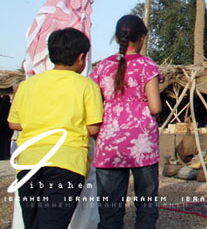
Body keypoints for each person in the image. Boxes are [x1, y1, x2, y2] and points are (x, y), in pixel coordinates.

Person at [8, 28, 103, 229]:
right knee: (53, 222)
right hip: (67, 163)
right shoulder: (87, 86)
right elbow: (93, 128)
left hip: (29, 162)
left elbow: (14, 123)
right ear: (81, 57)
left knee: (32, 222)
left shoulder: (28, 85)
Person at [90, 15, 162, 229]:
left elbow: (94, 103)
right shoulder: (147, 65)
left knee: (110, 209)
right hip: (143, 144)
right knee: (146, 205)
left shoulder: (102, 67)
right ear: (141, 38)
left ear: (116, 36)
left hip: (109, 143)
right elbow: (156, 107)